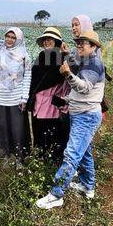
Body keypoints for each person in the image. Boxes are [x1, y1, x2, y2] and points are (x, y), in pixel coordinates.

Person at [36, 30, 106, 209]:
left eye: (84, 43)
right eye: (78, 42)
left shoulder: (94, 64)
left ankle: (56, 194)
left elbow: (84, 88)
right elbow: (79, 93)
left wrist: (67, 74)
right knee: (85, 152)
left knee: (72, 154)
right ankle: (87, 186)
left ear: (94, 47)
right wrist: (66, 100)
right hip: (81, 113)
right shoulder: (85, 62)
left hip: (86, 116)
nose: (80, 45)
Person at [0, 27, 32, 164]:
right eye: (8, 36)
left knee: (17, 130)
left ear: (18, 39)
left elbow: (27, 77)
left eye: (13, 37)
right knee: (0, 128)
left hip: (16, 98)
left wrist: (24, 98)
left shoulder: (24, 56)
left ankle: (19, 158)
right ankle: (2, 157)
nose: (9, 40)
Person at [26, 27, 70, 162]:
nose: (46, 42)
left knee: (50, 133)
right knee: (39, 131)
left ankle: (50, 162)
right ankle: (40, 159)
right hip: (38, 103)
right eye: (45, 40)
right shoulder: (41, 57)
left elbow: (67, 78)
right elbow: (33, 80)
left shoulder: (62, 58)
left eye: (50, 40)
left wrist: (66, 55)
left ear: (57, 41)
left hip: (51, 104)